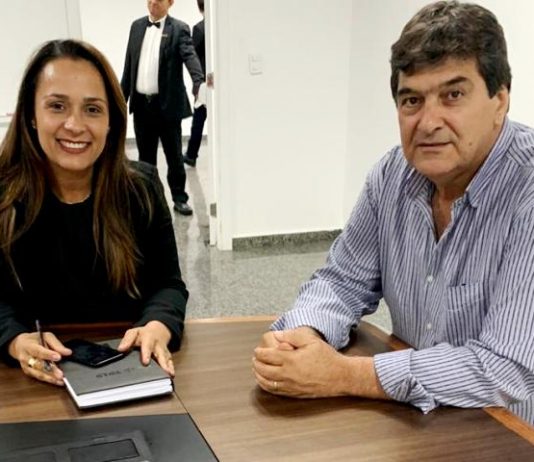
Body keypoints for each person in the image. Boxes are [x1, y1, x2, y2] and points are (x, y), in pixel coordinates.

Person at [253, 1, 534, 424]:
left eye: (453, 95)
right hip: (419, 422)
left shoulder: (527, 189)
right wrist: (303, 334)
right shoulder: (392, 175)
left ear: (500, 101)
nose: (428, 122)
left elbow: (504, 368)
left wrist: (344, 374)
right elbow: (342, 281)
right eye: (412, 100)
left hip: (510, 434)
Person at [0, 39, 188, 387]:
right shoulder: (4, 196)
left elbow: (168, 285)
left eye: (92, 109)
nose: (75, 125)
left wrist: (158, 325)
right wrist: (13, 339)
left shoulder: (142, 189)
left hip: (129, 369)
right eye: (57, 106)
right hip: (31, 381)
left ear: (111, 121)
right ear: (31, 115)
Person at [121, 0, 203, 215]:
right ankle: (149, 200)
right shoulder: (136, 27)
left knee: (174, 156)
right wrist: (120, 99)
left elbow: (190, 56)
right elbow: (129, 66)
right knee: (145, 158)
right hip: (142, 106)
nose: (153, 2)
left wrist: (199, 81)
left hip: (167, 106)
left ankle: (179, 197)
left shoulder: (179, 29)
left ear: (170, 2)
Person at [183, 0, 206, 168]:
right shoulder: (219, 28)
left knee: (198, 120)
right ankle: (191, 154)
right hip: (212, 81)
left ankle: (191, 154)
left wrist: (197, 84)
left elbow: (193, 57)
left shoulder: (199, 29)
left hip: (204, 82)